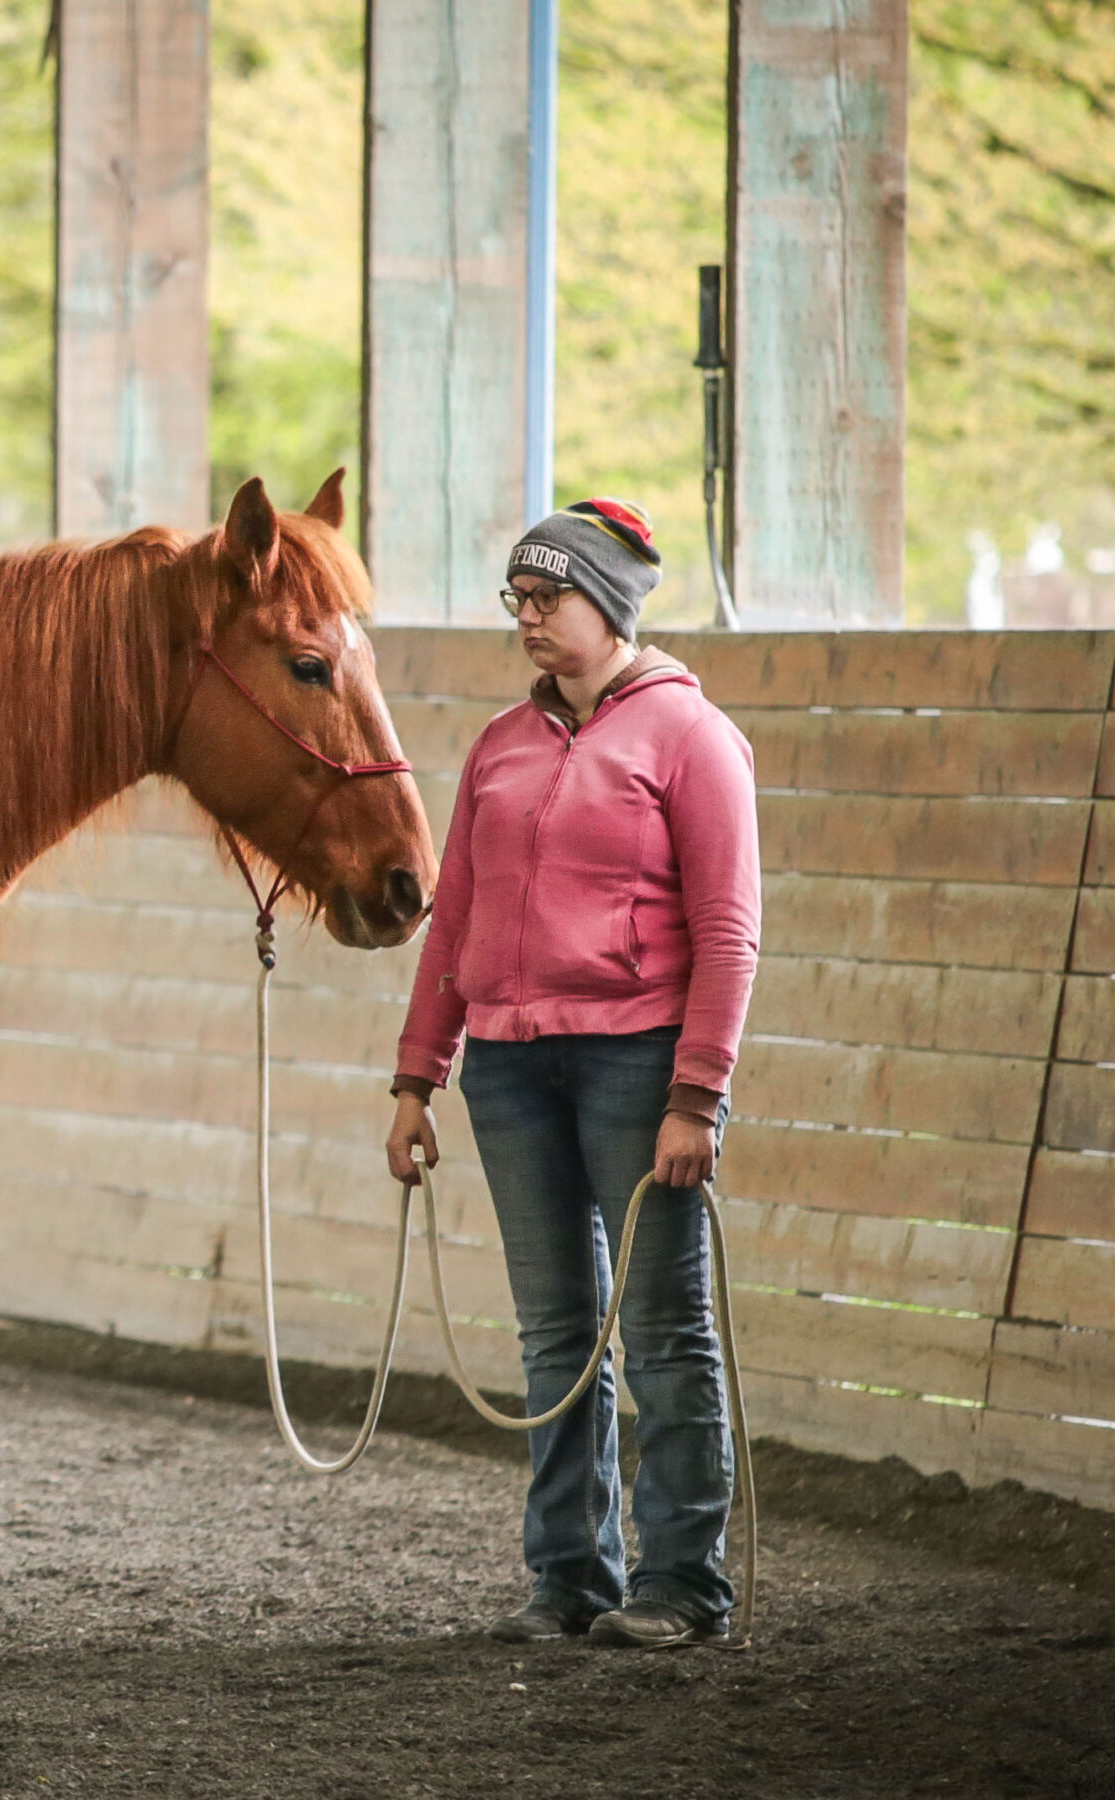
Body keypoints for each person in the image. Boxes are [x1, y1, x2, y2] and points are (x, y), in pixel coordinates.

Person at [380, 498, 759, 1651]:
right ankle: (569, 1577)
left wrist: (697, 1094)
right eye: (520, 601)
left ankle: (683, 1582)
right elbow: (456, 928)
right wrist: (416, 1079)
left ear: (611, 603)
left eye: (548, 598)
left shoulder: (692, 740)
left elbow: (729, 929)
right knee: (555, 1332)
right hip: (506, 1064)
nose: (529, 620)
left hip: (635, 1060)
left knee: (661, 1329)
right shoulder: (500, 746)